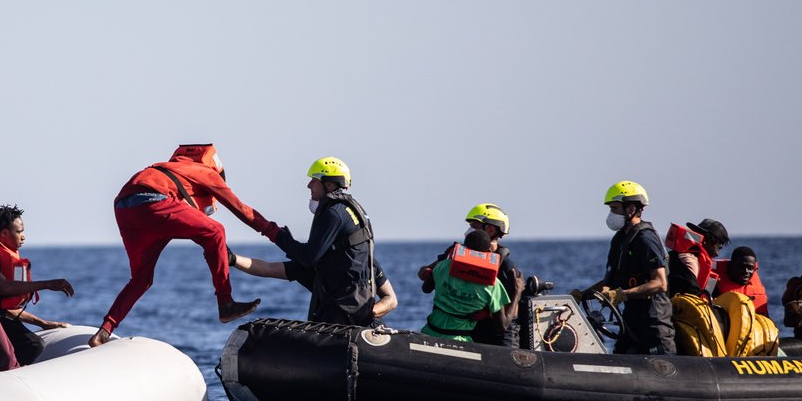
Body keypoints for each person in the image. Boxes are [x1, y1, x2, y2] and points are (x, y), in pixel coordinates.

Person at [89, 144, 278, 347]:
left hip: (124, 209)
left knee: (140, 280)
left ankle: (103, 332)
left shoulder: (168, 169)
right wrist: (275, 233)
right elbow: (241, 209)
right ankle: (226, 303)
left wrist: (210, 247)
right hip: (154, 202)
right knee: (216, 231)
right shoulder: (205, 172)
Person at [230, 157, 398, 326]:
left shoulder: (335, 215)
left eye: (314, 180)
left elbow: (307, 257)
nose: (309, 185)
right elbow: (269, 269)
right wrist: (232, 259)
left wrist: (277, 235)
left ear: (329, 185)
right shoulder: (343, 260)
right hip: (348, 317)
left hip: (341, 320)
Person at [574, 180, 674, 354]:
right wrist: (583, 295)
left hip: (653, 321)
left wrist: (622, 294)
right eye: (610, 209)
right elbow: (611, 281)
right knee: (620, 354)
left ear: (631, 209)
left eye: (614, 208)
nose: (611, 214)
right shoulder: (619, 240)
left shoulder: (645, 239)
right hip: (630, 321)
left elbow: (660, 283)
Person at [0, 205, 76, 365]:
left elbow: (5, 308)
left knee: (33, 345)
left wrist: (43, 323)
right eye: (19, 232)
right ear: (4, 233)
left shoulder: (2, 256)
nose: (23, 237)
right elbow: (3, 288)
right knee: (33, 345)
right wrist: (47, 284)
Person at [413, 202, 514, 343]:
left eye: (474, 226)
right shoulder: (452, 256)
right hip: (463, 334)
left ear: (491, 230)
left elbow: (510, 314)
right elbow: (426, 278)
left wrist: (489, 313)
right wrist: (427, 273)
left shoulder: (506, 267)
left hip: (487, 334)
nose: (468, 231)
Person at [666, 218, 728, 298]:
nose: (717, 254)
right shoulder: (689, 260)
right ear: (709, 240)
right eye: (718, 247)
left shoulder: (680, 255)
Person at [711, 246, 769, 316]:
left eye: (750, 268)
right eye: (741, 267)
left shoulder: (756, 286)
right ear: (731, 266)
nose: (746, 271)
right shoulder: (714, 285)